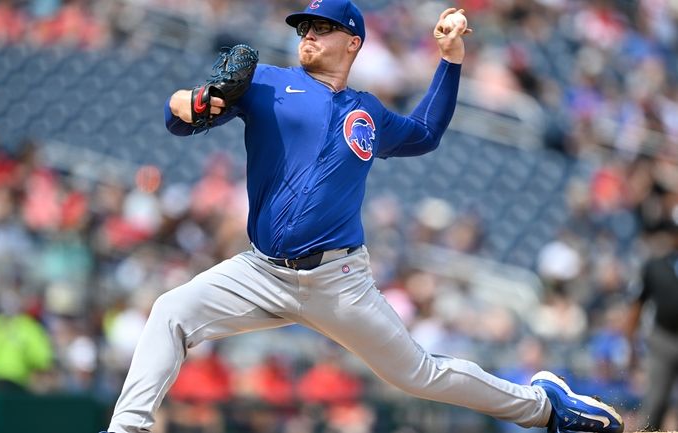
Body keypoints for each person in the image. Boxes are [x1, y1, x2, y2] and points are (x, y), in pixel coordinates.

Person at [102, 1, 624, 433]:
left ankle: (545, 407)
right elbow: (177, 116)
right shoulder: (264, 84)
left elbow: (424, 134)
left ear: (352, 41)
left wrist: (450, 60)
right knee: (170, 310)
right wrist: (194, 102)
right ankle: (127, 429)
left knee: (420, 374)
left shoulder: (367, 110)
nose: (307, 34)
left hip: (339, 279)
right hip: (261, 271)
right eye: (304, 26)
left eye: (321, 27)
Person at [625, 206, 678, 431]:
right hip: (663, 338)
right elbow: (638, 304)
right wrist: (630, 344)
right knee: (655, 400)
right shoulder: (656, 266)